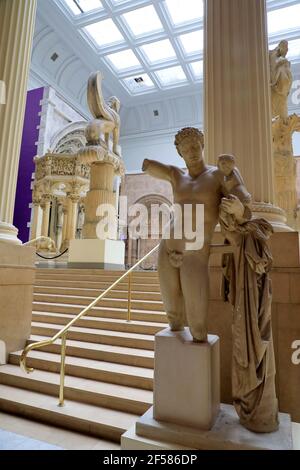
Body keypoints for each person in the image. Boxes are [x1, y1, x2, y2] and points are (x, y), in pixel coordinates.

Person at [142, 127, 251, 342]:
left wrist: (236, 198)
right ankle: (177, 373)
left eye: (194, 146)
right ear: (179, 153)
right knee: (173, 319)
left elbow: (244, 205)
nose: (191, 152)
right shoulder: (176, 175)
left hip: (195, 253)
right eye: (185, 149)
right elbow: (148, 166)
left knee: (198, 327)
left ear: (202, 146)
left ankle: (196, 372)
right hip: (167, 248)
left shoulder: (218, 174)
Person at [269, 40, 293, 120]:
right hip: (279, 89)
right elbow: (277, 73)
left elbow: (289, 77)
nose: (286, 50)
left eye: (287, 48)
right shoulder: (278, 60)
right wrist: (273, 82)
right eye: (285, 48)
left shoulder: (285, 62)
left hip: (283, 91)